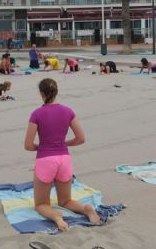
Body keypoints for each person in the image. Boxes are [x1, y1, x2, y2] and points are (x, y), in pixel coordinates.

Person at [24, 78, 100, 231]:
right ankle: (86, 209)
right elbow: (81, 139)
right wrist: (64, 144)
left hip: (46, 159)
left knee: (41, 204)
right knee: (66, 201)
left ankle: (56, 216)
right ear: (56, 91)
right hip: (64, 159)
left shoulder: (37, 114)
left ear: (41, 93)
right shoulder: (68, 111)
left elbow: (28, 145)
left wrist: (41, 147)